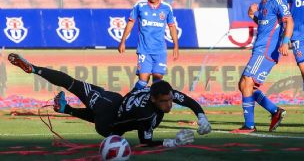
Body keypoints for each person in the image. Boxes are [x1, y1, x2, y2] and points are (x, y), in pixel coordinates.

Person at [8, 53, 211, 147]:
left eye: (170, 100)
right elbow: (145, 141)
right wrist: (170, 142)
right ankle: (59, 101)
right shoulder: (148, 116)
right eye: (164, 102)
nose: (169, 105)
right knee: (75, 86)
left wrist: (201, 116)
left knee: (76, 87)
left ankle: (39, 73)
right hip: (110, 117)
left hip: (112, 112)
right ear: (153, 98)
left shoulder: (162, 92)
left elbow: (189, 101)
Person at [231, 0, 294, 133]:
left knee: (246, 82)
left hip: (266, 51)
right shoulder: (263, 2)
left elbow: (289, 21)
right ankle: (275, 111)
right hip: (259, 49)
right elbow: (266, 25)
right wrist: (253, 16)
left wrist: (285, 42)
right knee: (245, 85)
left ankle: (249, 125)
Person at [119, 0, 179, 90]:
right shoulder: (140, 5)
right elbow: (131, 23)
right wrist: (123, 41)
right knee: (142, 82)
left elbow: (172, 26)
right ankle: (130, 99)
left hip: (160, 51)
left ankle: (152, 106)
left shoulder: (166, 8)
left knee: (157, 82)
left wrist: (176, 46)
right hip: (144, 50)